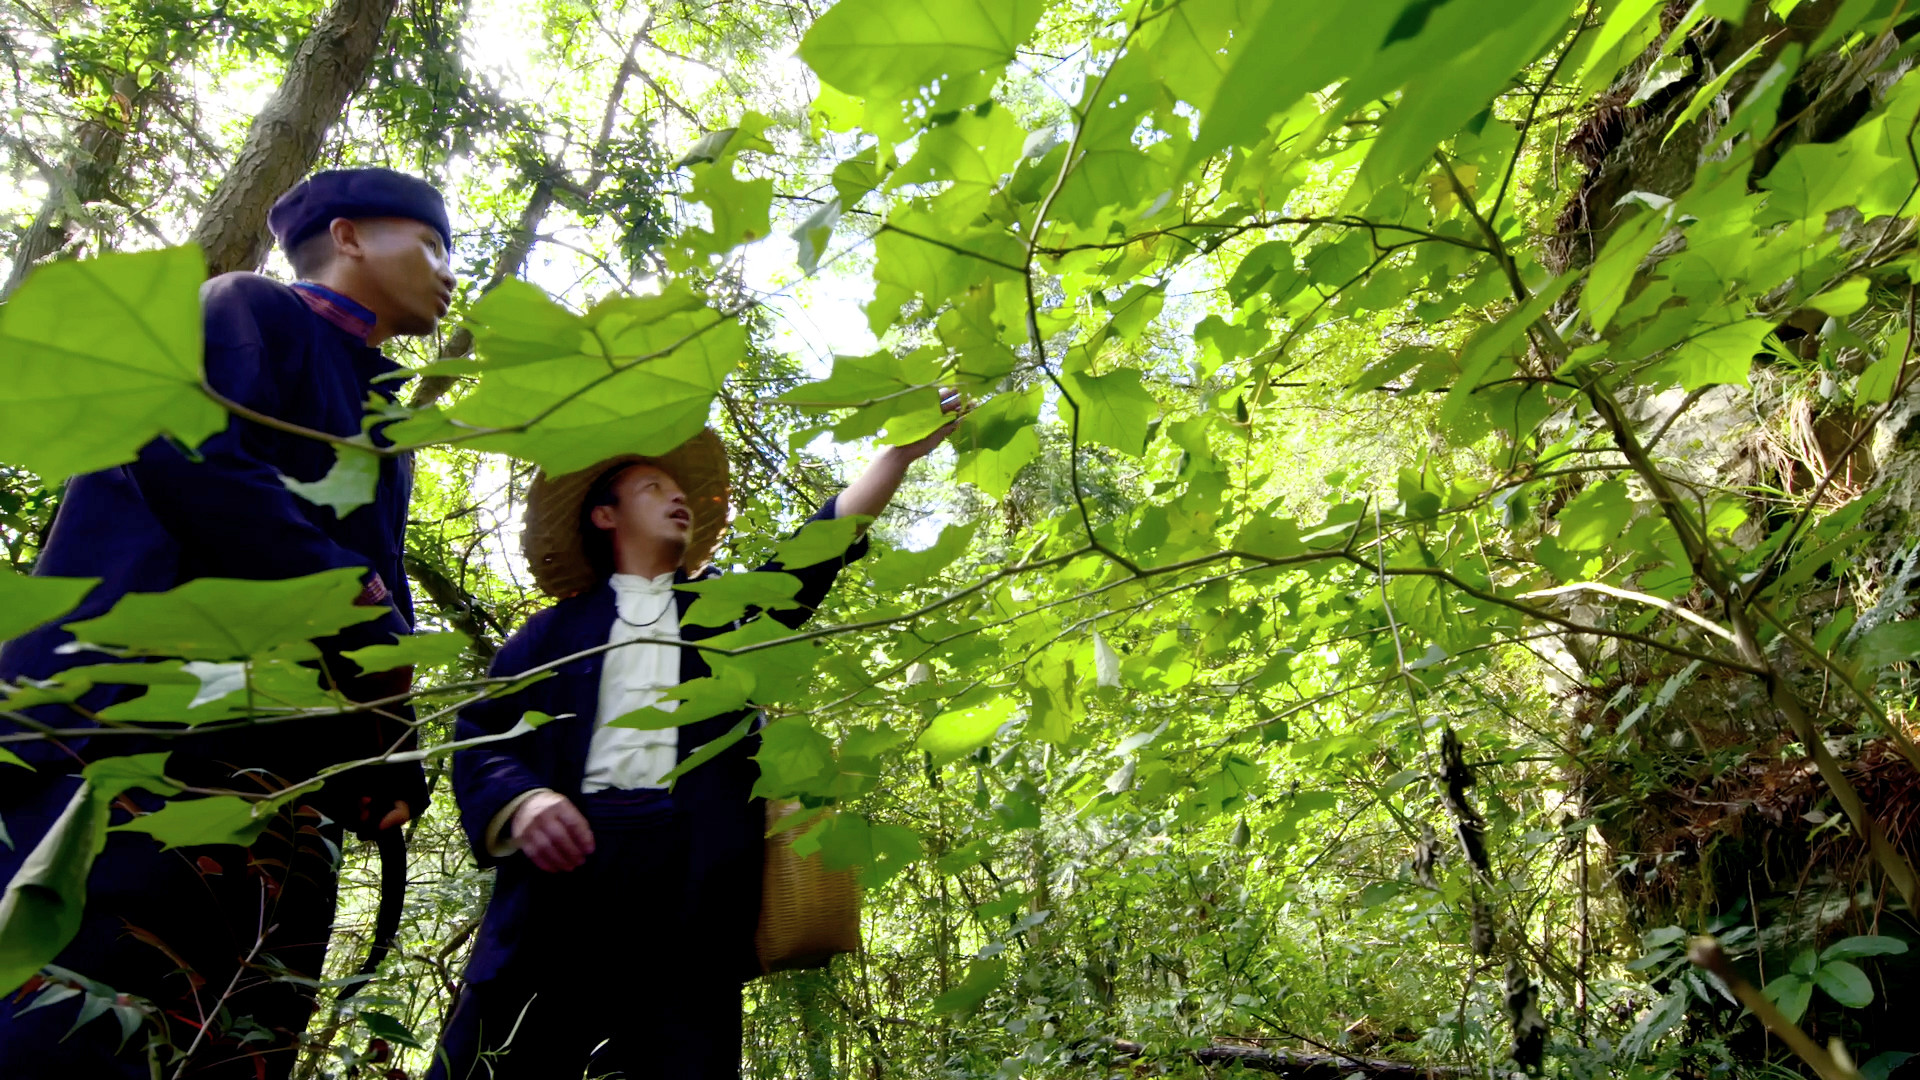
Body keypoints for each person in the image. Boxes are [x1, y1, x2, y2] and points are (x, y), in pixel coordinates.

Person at [0, 168, 456, 1078]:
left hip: (283, 791)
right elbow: (178, 448)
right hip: (138, 735)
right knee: (78, 1016)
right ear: (351, 235)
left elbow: (379, 599)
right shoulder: (250, 308)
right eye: (434, 244)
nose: (449, 273)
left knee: (234, 1033)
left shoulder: (384, 416)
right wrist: (347, 596)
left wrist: (393, 752)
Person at [430, 412, 954, 1080]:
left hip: (692, 882)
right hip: (561, 887)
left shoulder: (729, 615)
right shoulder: (547, 638)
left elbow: (817, 548)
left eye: (679, 490)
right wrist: (525, 803)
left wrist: (898, 455)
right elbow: (481, 736)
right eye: (651, 488)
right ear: (603, 517)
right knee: (503, 1058)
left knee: (680, 1056)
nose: (677, 497)